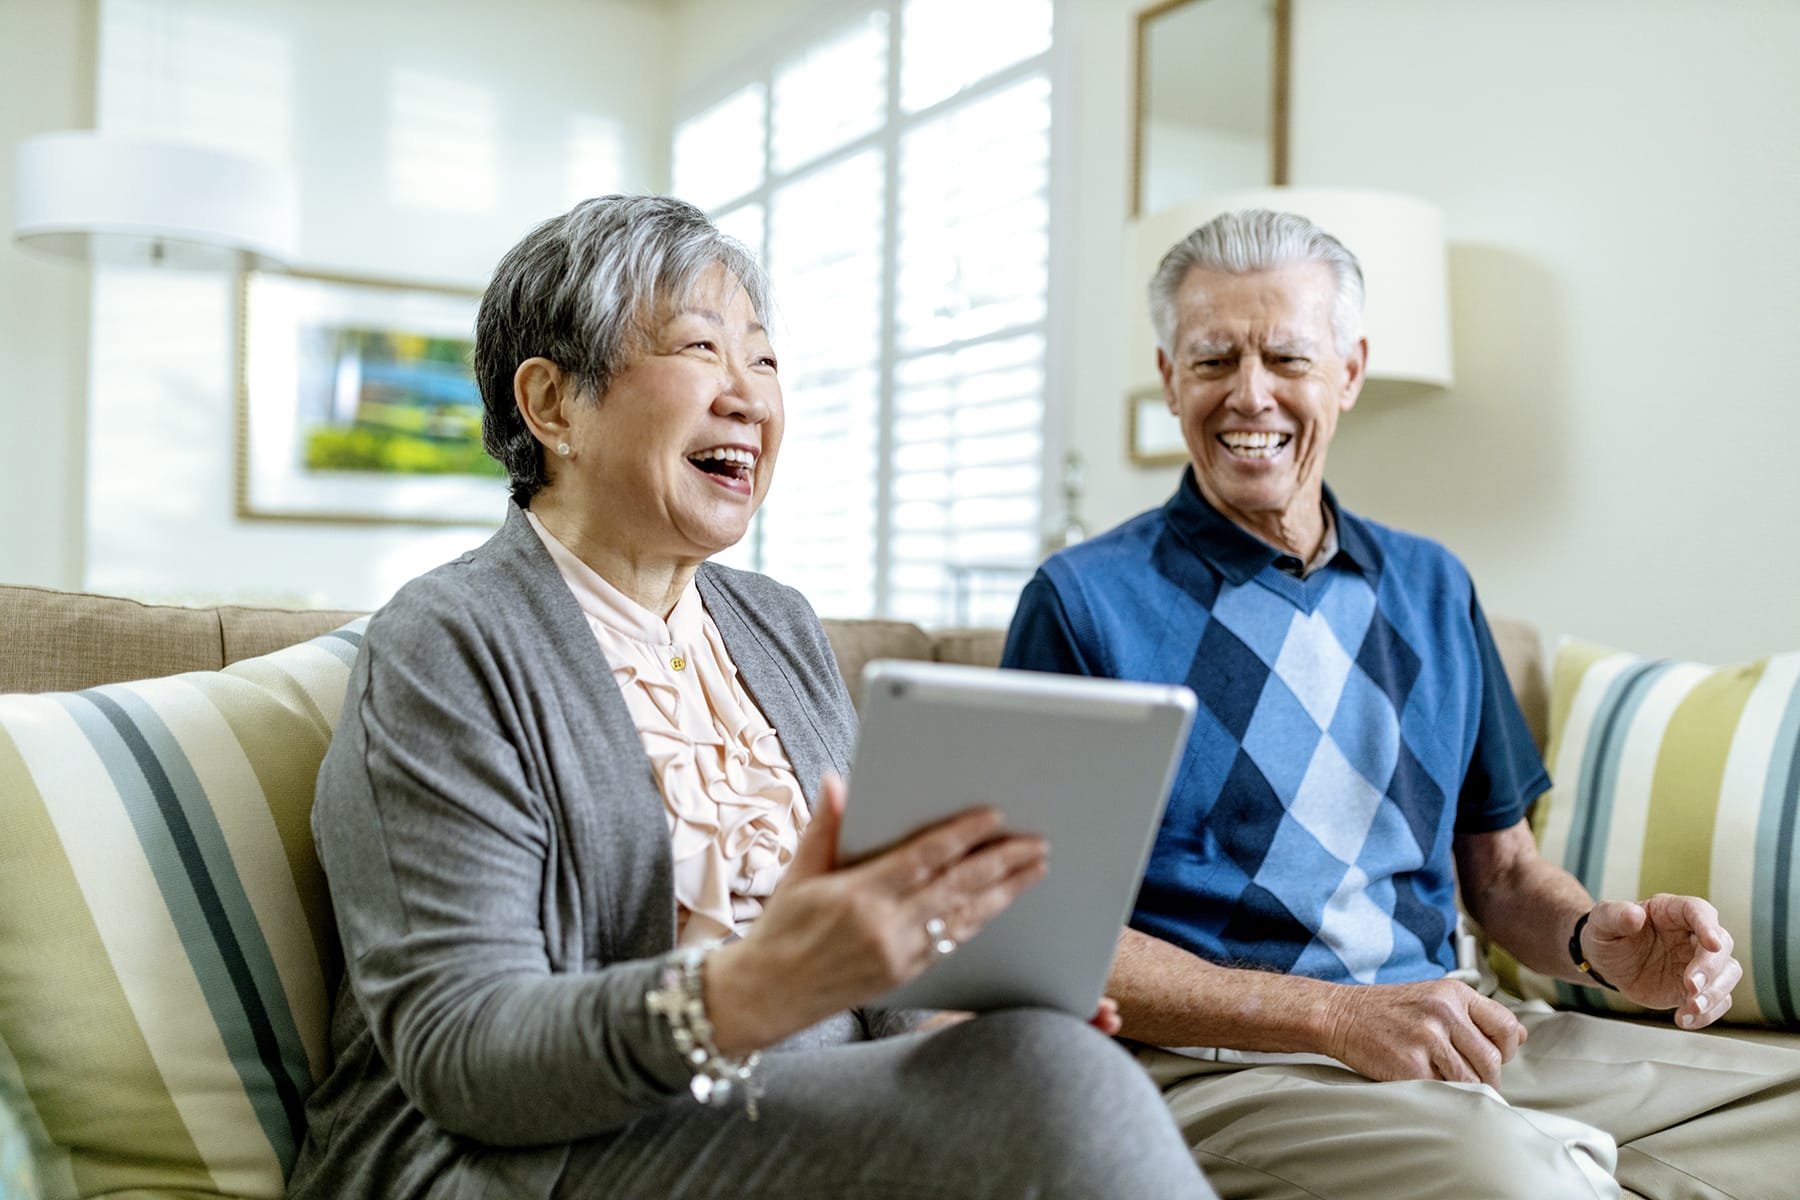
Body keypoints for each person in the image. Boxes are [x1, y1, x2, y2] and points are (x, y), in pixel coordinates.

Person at [285, 195, 1209, 1200]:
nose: (750, 397)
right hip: (526, 1160)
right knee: (1061, 1092)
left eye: (765, 361)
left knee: (1043, 1060)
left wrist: (961, 1021)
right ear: (552, 406)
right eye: (701, 349)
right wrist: (751, 991)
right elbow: (464, 1053)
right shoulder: (449, 642)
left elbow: (863, 970)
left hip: (787, 1122)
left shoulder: (776, 623)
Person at [1001, 208, 1800, 1200]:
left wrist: (1605, 945)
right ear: (1169, 379)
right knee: (1516, 1180)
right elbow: (1038, 930)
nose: (1251, 395)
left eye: (1288, 356)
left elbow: (1504, 879)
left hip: (1453, 1027)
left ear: (1350, 369)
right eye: (1213, 362)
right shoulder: (1083, 603)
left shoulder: (1432, 584)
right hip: (1226, 1067)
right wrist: (1331, 1018)